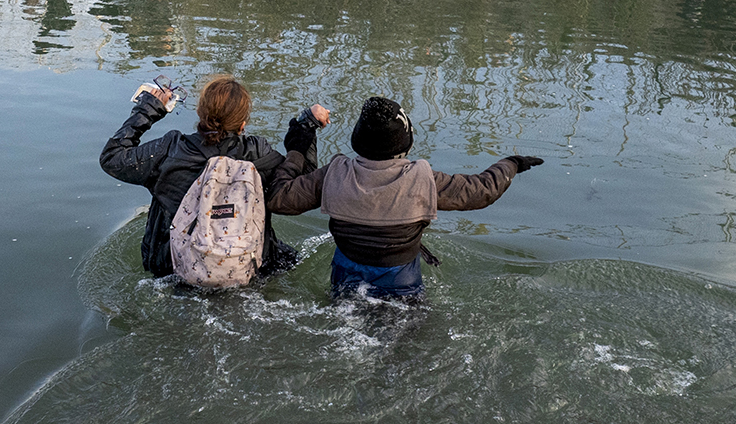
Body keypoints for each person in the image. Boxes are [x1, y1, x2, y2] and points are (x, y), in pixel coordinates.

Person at [268, 96, 543, 301]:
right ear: (406, 142)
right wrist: (512, 164)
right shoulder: (423, 179)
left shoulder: (334, 175)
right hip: (401, 283)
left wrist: (299, 143)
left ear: (357, 140)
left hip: (346, 277)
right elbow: (481, 191)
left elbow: (280, 198)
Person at [100, 74, 330, 283]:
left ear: (201, 114)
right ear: (243, 124)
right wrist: (306, 126)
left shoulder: (168, 151)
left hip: (174, 270)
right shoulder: (259, 155)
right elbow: (303, 184)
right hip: (251, 269)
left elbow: (112, 158)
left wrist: (148, 109)